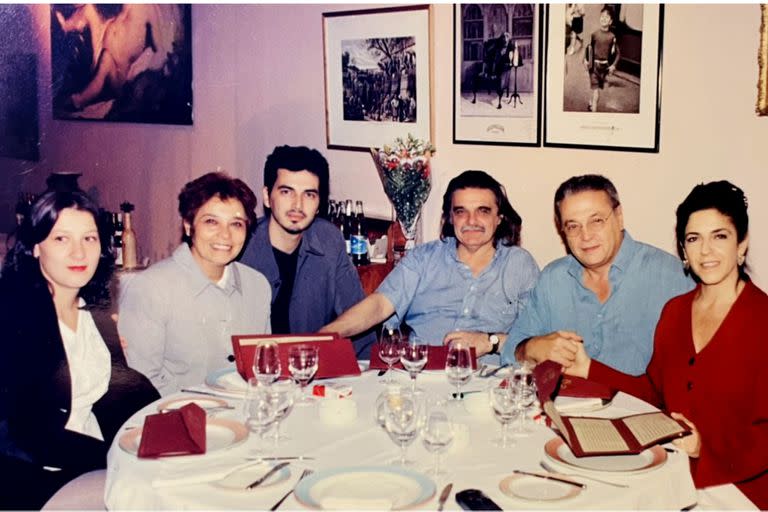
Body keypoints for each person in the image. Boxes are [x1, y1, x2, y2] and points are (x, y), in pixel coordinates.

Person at [565, 181, 767, 509]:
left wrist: (705, 447)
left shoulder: (763, 320)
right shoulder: (675, 311)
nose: (706, 251)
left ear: (741, 244)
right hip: (673, 473)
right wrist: (588, 369)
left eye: (720, 236)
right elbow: (653, 394)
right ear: (684, 251)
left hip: (740, 490)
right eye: (693, 239)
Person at [0, 188, 159, 509]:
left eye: (89, 239)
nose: (79, 253)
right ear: (35, 247)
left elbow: (123, 389)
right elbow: (29, 433)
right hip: (35, 474)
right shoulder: (15, 320)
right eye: (61, 239)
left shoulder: (95, 310)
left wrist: (169, 423)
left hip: (89, 455)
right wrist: (115, 460)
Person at [321, 170, 540, 362]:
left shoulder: (520, 265)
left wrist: (491, 341)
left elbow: (538, 339)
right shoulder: (423, 258)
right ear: (450, 218)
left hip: (490, 385)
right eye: (461, 211)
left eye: (483, 211)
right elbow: (379, 305)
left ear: (499, 217)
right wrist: (327, 334)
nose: (471, 221)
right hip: (422, 378)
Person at [502, 174, 693, 375]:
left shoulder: (673, 277)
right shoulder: (552, 279)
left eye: (597, 221)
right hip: (565, 404)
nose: (586, 236)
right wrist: (531, 347)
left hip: (646, 406)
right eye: (573, 226)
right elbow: (509, 351)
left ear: (619, 217)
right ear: (562, 231)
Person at [119, 172, 271, 396]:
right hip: (175, 417)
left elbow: (262, 369)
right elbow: (142, 381)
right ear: (189, 225)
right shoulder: (151, 288)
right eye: (211, 222)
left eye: (236, 224)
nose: (225, 235)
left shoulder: (257, 285)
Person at [239, 146, 376, 357]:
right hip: (250, 374)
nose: (297, 205)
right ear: (267, 196)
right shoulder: (241, 243)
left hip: (309, 375)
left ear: (320, 203)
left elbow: (356, 318)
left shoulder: (329, 240)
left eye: (309, 195)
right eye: (286, 192)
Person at [584, 6, 620, 112]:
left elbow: (618, 54)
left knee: (597, 88)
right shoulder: (594, 34)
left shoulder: (612, 37)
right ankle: (594, 110)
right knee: (596, 91)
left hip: (604, 68)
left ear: (611, 21)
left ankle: (591, 103)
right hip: (593, 67)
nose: (604, 18)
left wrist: (613, 65)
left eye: (607, 17)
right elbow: (589, 48)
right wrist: (585, 60)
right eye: (602, 16)